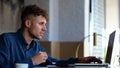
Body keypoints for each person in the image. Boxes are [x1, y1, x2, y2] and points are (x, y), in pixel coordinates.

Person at [0, 4, 102, 68]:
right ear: (28, 23)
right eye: (41, 24)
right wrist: (32, 61)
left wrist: (78, 60)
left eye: (45, 24)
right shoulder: (6, 40)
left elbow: (55, 62)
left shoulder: (36, 47)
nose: (45, 28)